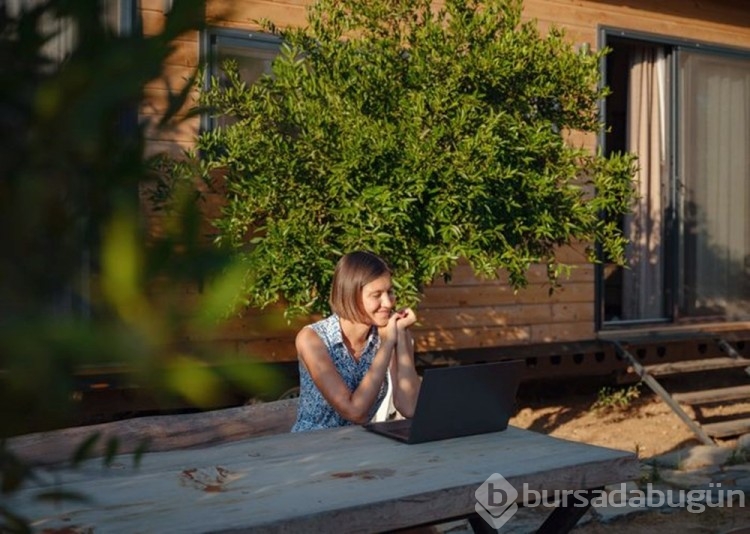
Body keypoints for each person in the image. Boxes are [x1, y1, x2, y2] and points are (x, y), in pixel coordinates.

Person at [291, 251, 422, 432]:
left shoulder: (390, 331)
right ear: (351, 295)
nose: (388, 303)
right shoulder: (313, 339)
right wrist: (387, 344)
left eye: (390, 292)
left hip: (360, 446)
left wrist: (401, 335)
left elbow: (410, 408)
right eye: (377, 295)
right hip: (313, 449)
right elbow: (354, 412)